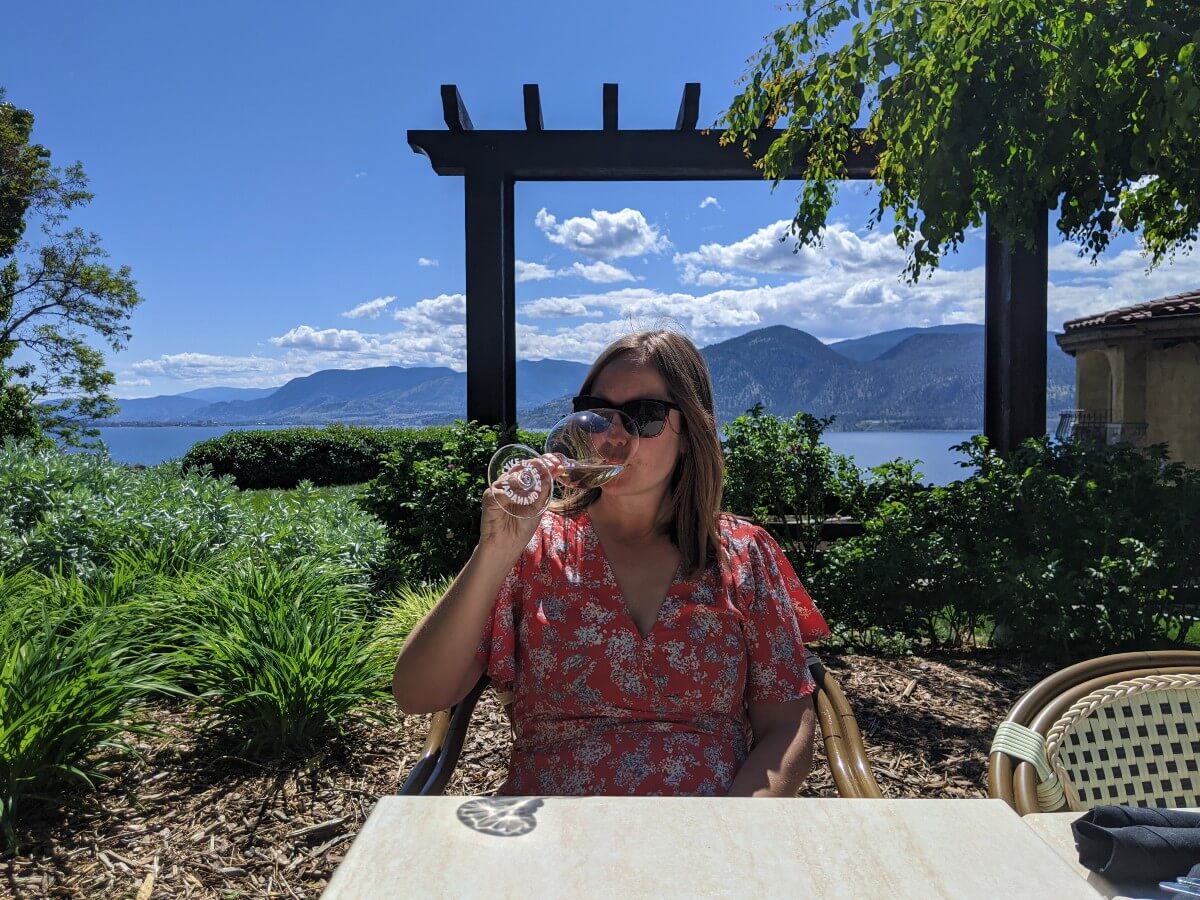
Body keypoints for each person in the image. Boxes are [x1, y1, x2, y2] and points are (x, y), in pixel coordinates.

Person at [392, 330, 831, 797]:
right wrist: (494, 553)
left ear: (690, 434)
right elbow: (418, 693)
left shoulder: (743, 553)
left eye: (644, 416)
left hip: (706, 839)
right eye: (599, 413)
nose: (614, 434)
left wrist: (729, 835)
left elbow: (786, 728)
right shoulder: (533, 549)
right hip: (554, 835)